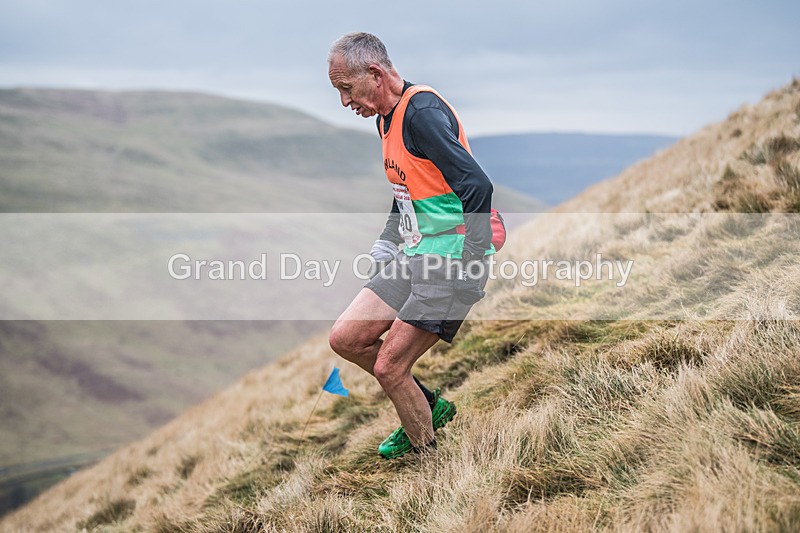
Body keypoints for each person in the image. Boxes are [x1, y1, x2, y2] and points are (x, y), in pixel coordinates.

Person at [327, 32, 495, 459]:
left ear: (376, 73)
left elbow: (477, 185)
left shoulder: (420, 113)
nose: (345, 102)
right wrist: (388, 241)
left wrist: (473, 264)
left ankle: (429, 464)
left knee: (389, 367)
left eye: (346, 89)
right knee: (346, 338)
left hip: (450, 259)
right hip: (414, 253)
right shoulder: (386, 117)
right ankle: (427, 406)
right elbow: (407, 188)